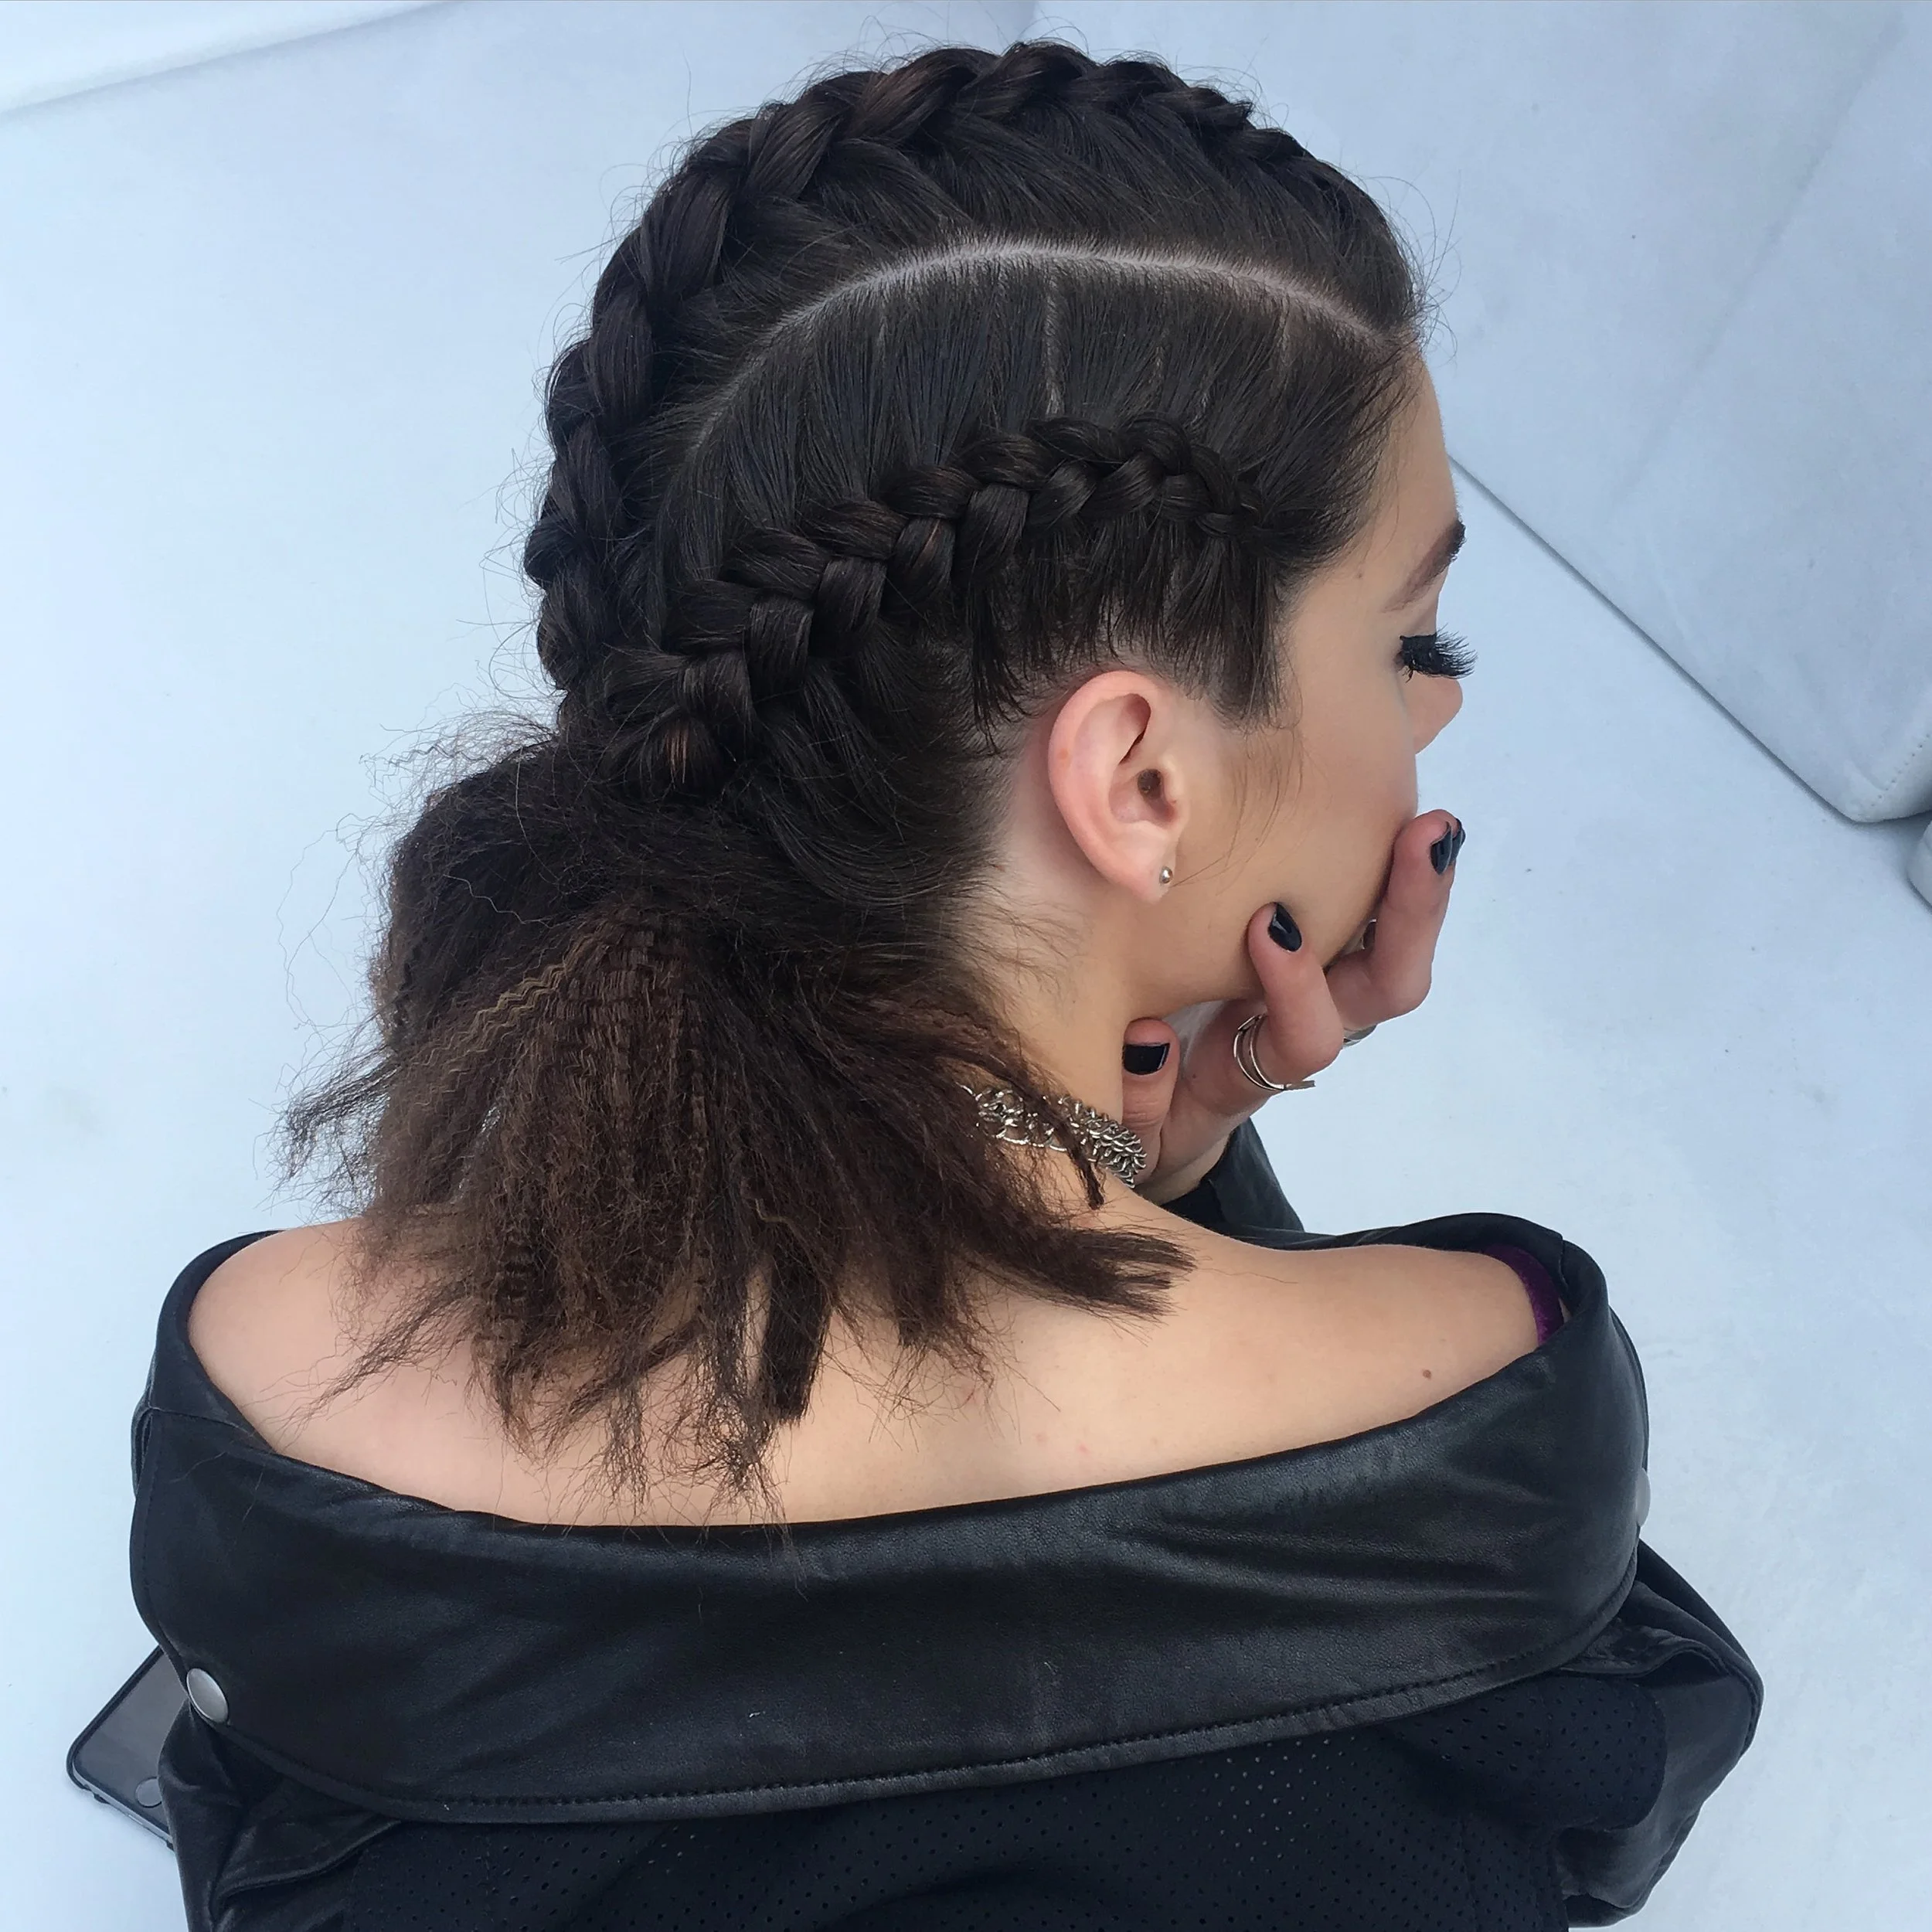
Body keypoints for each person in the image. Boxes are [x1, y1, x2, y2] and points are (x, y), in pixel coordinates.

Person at [131, 40, 1759, 1931]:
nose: (1435, 713)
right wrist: (1181, 1198)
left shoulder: (275, 1390)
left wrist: (1145, 1156)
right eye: (1414, 640)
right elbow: (1575, 1801)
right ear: (1138, 778)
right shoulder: (1474, 1406)